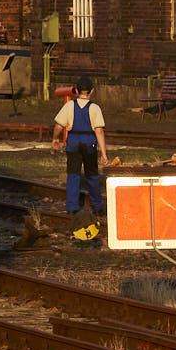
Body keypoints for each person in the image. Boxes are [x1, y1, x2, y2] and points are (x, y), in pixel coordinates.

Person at [50, 81, 109, 236]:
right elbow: (100, 131)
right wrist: (103, 153)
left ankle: (72, 207)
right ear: (92, 91)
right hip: (89, 142)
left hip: (73, 142)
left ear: (76, 90)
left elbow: (58, 125)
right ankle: (97, 207)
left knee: (73, 174)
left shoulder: (69, 106)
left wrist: (55, 139)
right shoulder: (95, 108)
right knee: (92, 175)